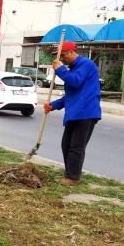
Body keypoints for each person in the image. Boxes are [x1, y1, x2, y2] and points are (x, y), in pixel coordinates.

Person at [44, 41, 101, 186]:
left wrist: (60, 70)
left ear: (70, 52)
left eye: (62, 55)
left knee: (76, 147)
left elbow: (75, 82)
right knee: (66, 145)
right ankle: (69, 174)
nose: (61, 59)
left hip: (86, 113)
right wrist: (53, 106)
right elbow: (71, 95)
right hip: (75, 113)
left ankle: (73, 178)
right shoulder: (74, 68)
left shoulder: (86, 64)